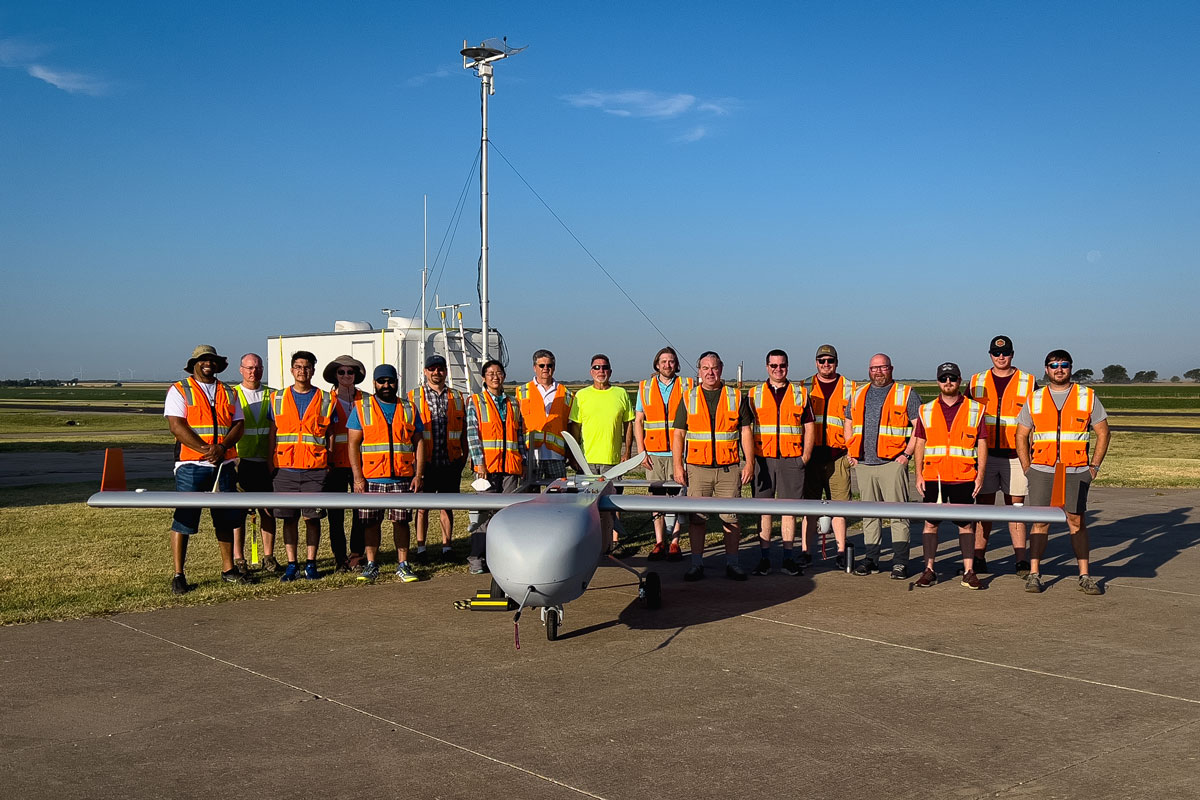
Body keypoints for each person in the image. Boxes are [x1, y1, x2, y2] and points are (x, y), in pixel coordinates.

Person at [1015, 349, 1110, 596]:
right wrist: (1027, 468)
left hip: (1076, 470)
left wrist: (1094, 467)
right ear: (1046, 369)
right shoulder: (1035, 398)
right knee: (1040, 522)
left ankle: (1085, 575)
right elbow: (1021, 434)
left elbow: (1103, 432)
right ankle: (1035, 574)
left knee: (1076, 522)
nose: (1059, 369)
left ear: (1071, 368)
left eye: (1064, 364)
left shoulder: (1086, 396)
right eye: (1053, 365)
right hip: (1042, 470)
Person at [164, 345, 248, 594]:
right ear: (194, 365)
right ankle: (179, 574)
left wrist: (221, 448)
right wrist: (204, 449)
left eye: (211, 360)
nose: (207, 364)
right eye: (202, 360)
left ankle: (228, 569)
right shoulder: (179, 389)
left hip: (223, 465)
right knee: (184, 519)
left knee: (225, 519)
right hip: (191, 465)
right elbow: (176, 426)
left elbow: (238, 424)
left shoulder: (229, 392)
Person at [671, 351, 755, 581]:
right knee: (697, 519)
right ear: (699, 371)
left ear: (721, 369)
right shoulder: (689, 397)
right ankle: (696, 564)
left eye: (714, 368)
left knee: (731, 518)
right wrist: (678, 466)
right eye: (705, 368)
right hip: (697, 469)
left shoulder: (736, 397)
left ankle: (733, 564)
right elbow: (679, 434)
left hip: (728, 468)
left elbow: (745, 431)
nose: (710, 372)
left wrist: (749, 462)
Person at [846, 353, 923, 579]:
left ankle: (900, 561)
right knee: (869, 515)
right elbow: (848, 422)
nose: (878, 372)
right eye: (874, 368)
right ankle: (872, 558)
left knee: (898, 515)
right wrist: (851, 452)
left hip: (892, 464)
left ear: (891, 368)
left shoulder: (906, 394)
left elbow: (919, 428)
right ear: (868, 370)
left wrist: (906, 455)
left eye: (882, 368)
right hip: (865, 464)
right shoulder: (858, 394)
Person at [912, 362, 989, 589]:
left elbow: (982, 443)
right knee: (930, 525)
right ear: (938, 381)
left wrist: (980, 475)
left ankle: (969, 571)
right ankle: (929, 569)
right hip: (933, 477)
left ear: (960, 380)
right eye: (944, 378)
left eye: (953, 378)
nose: (948, 382)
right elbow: (920, 442)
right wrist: (918, 474)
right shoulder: (926, 410)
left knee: (966, 525)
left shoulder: (975, 409)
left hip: (963, 475)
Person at [348, 365, 425, 583]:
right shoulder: (362, 407)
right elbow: (353, 444)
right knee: (371, 522)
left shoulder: (409, 408)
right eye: (381, 381)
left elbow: (419, 443)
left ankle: (403, 564)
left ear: (396, 382)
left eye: (390, 381)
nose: (386, 385)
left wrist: (418, 474)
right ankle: (372, 564)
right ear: (374, 383)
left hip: (402, 476)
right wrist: (358, 478)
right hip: (372, 478)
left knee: (401, 522)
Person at [967, 335, 1037, 576]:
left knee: (1015, 509)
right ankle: (978, 557)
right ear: (990, 355)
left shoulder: (1028, 382)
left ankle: (1020, 560)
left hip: (1015, 457)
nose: (1001, 357)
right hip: (986, 456)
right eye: (996, 354)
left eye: (1005, 353)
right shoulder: (976, 380)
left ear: (1012, 354)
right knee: (983, 509)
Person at [745, 349, 815, 576]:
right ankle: (764, 558)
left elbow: (809, 427)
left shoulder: (800, 394)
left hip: (791, 459)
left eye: (782, 365)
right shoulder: (754, 394)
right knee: (763, 510)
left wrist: (805, 456)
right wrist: (750, 459)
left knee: (788, 510)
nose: (778, 369)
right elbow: (745, 429)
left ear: (788, 366)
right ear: (767, 367)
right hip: (763, 460)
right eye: (773, 366)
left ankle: (787, 557)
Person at [268, 350, 335, 582]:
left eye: (307, 367)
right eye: (298, 366)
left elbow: (331, 434)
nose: (302, 371)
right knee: (288, 518)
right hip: (284, 468)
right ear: (291, 370)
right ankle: (291, 564)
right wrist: (270, 461)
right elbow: (273, 432)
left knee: (312, 518)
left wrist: (329, 461)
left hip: (314, 469)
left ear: (313, 370)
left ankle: (311, 563)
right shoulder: (277, 398)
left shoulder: (327, 399)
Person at [465, 359, 527, 574]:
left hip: (510, 466)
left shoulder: (513, 403)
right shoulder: (476, 401)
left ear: (504, 376)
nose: (494, 376)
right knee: (483, 514)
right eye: (490, 373)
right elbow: (473, 434)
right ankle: (477, 558)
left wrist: (523, 461)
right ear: (484, 378)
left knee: (508, 514)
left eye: (498, 372)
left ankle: (503, 558)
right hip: (486, 468)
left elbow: (519, 435)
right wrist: (479, 462)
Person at [568, 354, 635, 551]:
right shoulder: (581, 396)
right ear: (591, 372)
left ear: (610, 371)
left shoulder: (620, 393)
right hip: (587, 461)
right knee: (586, 504)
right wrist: (574, 455)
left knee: (612, 503)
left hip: (613, 460)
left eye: (604, 367)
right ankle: (590, 540)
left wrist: (627, 452)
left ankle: (613, 540)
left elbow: (628, 425)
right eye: (596, 367)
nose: (601, 371)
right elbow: (575, 428)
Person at [408, 354, 467, 561]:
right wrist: (416, 466)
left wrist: (463, 458)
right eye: (432, 369)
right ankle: (421, 548)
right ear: (425, 371)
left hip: (449, 461)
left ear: (445, 372)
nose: (436, 372)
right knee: (422, 507)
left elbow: (464, 432)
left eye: (440, 369)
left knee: (446, 505)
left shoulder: (458, 397)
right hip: (425, 464)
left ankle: (446, 547)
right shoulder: (413, 396)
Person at [634, 346, 691, 562]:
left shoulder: (687, 385)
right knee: (655, 498)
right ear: (657, 364)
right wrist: (641, 451)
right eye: (664, 361)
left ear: (676, 364)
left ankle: (675, 542)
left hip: (680, 453)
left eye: (672, 361)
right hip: (654, 453)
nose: (668, 365)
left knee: (680, 498)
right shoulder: (645, 387)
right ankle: (660, 542)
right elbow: (639, 420)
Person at [801, 344, 855, 569]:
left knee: (839, 508)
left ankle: (841, 552)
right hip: (811, 458)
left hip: (838, 456)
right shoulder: (804, 387)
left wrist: (852, 451)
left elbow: (853, 422)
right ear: (816, 363)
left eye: (830, 361)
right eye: (822, 361)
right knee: (809, 509)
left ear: (836, 363)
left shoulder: (850, 388)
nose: (826, 365)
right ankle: (805, 552)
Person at [230, 353, 278, 573]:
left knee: (268, 512)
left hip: (265, 462)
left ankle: (269, 557)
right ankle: (239, 559)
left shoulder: (272, 395)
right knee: (238, 513)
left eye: (258, 368)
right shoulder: (233, 395)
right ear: (241, 369)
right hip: (240, 461)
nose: (253, 372)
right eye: (249, 368)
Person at [323, 355, 367, 572]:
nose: (346, 376)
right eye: (342, 372)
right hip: (334, 465)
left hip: (361, 465)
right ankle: (339, 558)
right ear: (335, 375)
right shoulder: (326, 401)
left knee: (362, 513)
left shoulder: (365, 400)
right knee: (336, 515)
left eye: (351, 372)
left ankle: (357, 556)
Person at [516, 349, 575, 484]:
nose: (545, 368)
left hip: (556, 455)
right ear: (534, 367)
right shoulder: (521, 392)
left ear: (554, 368)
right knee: (528, 496)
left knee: (558, 495)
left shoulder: (567, 394)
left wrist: (570, 455)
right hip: (530, 455)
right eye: (541, 365)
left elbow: (571, 426)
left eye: (549, 365)